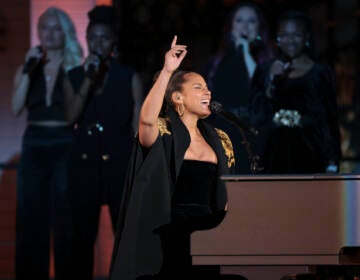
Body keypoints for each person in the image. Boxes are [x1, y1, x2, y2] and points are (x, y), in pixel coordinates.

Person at [108, 36, 235, 280]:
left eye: (207, 86)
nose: (207, 91)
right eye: (198, 87)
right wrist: (167, 71)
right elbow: (145, 120)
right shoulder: (163, 132)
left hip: (208, 234)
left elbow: (226, 192)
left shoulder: (220, 139)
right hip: (169, 233)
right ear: (177, 98)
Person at [64, 5, 144, 280]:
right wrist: (88, 78)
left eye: (105, 38)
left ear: (113, 42)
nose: (99, 43)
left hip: (119, 162)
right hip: (83, 163)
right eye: (94, 38)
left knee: (124, 238)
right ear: (86, 40)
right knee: (81, 239)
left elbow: (138, 127)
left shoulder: (128, 77)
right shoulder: (74, 76)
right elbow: (69, 116)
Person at [11, 6, 83, 280]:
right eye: (45, 28)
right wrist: (29, 71)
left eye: (56, 28)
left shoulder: (74, 67)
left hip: (65, 142)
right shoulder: (27, 67)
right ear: (39, 32)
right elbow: (16, 107)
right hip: (34, 144)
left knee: (65, 218)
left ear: (65, 33)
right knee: (31, 218)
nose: (50, 33)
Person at [250, 10, 342, 174]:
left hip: (310, 152)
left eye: (296, 35)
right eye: (284, 35)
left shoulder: (321, 72)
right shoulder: (264, 70)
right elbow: (256, 115)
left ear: (306, 38)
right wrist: (271, 81)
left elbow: (329, 119)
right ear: (277, 38)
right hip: (271, 153)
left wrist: (332, 160)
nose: (290, 41)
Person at [201, 1, 273, 174]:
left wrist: (246, 51)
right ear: (231, 26)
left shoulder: (267, 60)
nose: (245, 26)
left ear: (259, 26)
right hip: (223, 133)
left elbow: (258, 86)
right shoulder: (217, 62)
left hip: (255, 134)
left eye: (251, 21)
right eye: (239, 20)